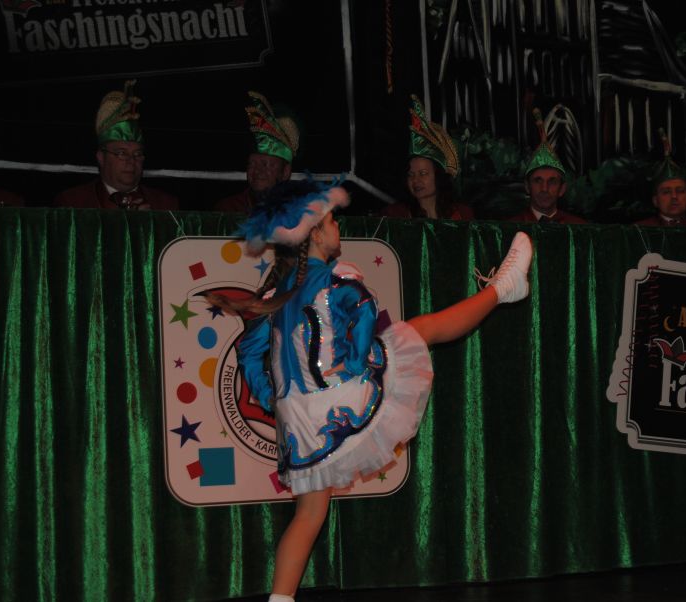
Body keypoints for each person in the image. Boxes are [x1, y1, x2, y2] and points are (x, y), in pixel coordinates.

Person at [207, 179, 532, 602]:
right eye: (332, 220)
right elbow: (363, 311)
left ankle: (280, 599)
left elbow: (250, 354)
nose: (337, 226)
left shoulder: (276, 294)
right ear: (315, 234)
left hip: (298, 419)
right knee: (422, 330)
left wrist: (273, 397)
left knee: (309, 513)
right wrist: (362, 359)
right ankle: (502, 288)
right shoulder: (336, 279)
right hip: (337, 397)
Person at [53, 80, 179, 211]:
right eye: (121, 153)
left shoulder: (166, 205)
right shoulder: (72, 203)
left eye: (137, 154)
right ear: (101, 157)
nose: (131, 161)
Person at [381, 95, 473, 220]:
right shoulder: (395, 215)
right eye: (410, 175)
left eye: (423, 173)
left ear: (438, 176)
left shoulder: (463, 214)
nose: (415, 180)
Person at [215, 92, 299, 213]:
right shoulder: (228, 210)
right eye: (252, 164)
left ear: (285, 172)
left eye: (266, 164)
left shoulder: (298, 213)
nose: (257, 171)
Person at [507, 108, 587, 224]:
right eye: (538, 181)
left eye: (552, 181)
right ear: (527, 186)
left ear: (562, 189)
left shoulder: (579, 227)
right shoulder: (510, 227)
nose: (544, 189)